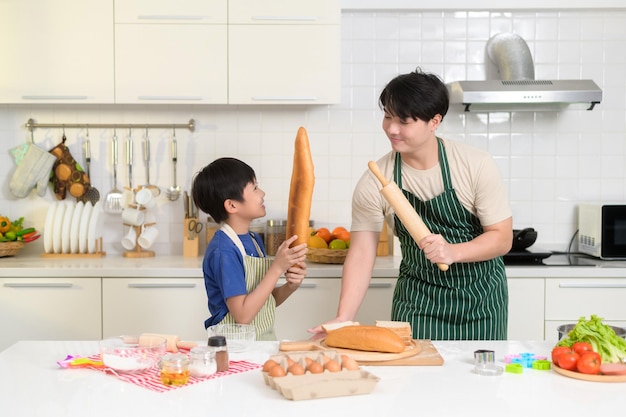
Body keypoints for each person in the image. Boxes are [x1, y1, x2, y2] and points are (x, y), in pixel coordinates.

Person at [310, 68, 513, 340]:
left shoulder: (474, 165)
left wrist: (452, 252)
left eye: (404, 121)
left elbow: (501, 239)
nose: (392, 129)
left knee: (477, 379)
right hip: (418, 301)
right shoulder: (375, 182)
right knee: (417, 377)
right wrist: (344, 316)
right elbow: (361, 254)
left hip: (480, 300)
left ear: (434, 121)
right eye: (387, 117)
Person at [192, 157, 308, 341]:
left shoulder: (254, 240)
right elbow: (243, 315)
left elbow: (264, 302)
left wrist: (290, 287)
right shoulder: (224, 251)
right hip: (235, 350)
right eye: (254, 188)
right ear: (232, 205)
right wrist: (277, 268)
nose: (262, 193)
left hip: (262, 343)